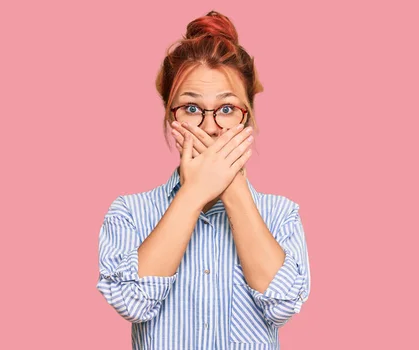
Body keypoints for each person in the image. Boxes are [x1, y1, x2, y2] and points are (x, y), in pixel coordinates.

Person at [96, 10, 311, 350]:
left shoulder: (281, 214)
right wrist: (194, 193)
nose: (210, 127)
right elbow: (131, 302)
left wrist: (231, 185)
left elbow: (284, 305)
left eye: (226, 109)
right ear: (171, 116)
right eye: (191, 109)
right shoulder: (129, 212)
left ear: (248, 117)